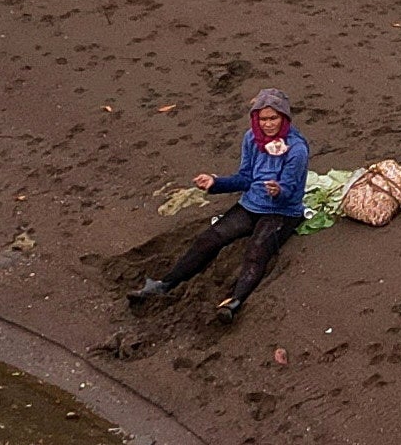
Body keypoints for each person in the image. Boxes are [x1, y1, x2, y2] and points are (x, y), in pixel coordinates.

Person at [133, 87, 312, 324]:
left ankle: (234, 301)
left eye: (274, 118)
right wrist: (215, 183)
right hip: (251, 204)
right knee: (210, 238)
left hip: (282, 212)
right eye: (263, 119)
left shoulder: (297, 149)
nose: (268, 124)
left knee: (257, 252)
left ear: (284, 118)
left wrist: (278, 191)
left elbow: (292, 189)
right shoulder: (251, 139)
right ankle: (165, 284)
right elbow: (245, 178)